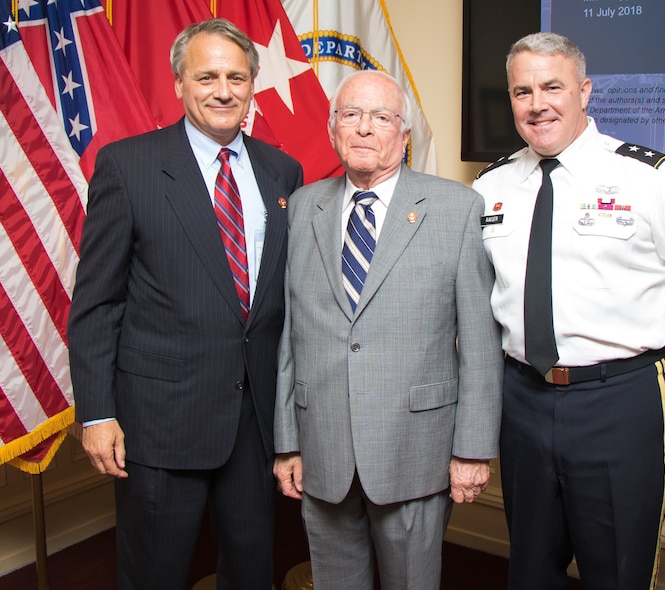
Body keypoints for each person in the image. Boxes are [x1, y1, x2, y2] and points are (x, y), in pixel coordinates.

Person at [472, 32, 665, 590]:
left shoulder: (652, 178)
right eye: (522, 91)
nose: (537, 104)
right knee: (531, 567)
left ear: (584, 91)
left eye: (552, 86)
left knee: (618, 570)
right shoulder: (492, 185)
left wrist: (660, 338)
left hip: (618, 401)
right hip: (522, 398)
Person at [67, 18, 303, 589]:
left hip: (254, 423)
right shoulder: (128, 166)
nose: (223, 90)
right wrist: (97, 414)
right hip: (159, 421)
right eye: (207, 76)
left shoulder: (283, 171)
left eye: (237, 77)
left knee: (251, 572)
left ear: (252, 85)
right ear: (179, 83)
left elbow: (284, 304)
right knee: (156, 573)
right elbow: (97, 303)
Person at [273, 70, 503, 590]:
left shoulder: (456, 207)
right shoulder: (304, 205)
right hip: (322, 447)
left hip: (415, 449)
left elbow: (481, 345)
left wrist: (471, 450)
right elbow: (291, 332)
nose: (363, 128)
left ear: (404, 137)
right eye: (350, 114)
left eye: (380, 117)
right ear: (334, 129)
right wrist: (287, 440)